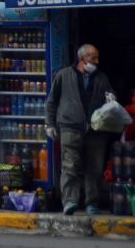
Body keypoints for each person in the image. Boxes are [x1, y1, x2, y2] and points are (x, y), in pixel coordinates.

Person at [45, 44, 116, 216]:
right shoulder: (63, 76)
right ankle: (70, 201)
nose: (97, 61)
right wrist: (50, 124)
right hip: (70, 128)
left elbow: (111, 98)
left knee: (95, 168)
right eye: (93, 58)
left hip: (96, 129)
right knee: (69, 166)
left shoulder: (101, 78)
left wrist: (112, 99)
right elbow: (52, 101)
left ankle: (92, 203)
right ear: (83, 59)